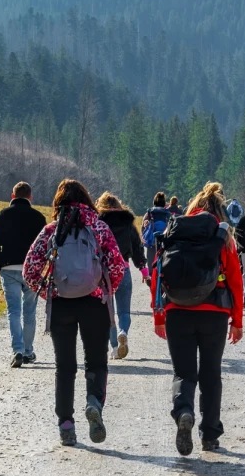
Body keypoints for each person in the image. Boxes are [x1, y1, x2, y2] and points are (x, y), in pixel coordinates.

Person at [23, 179, 127, 447]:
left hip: (62, 304)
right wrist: (104, 291)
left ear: (58, 202)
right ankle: (93, 403)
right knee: (96, 362)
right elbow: (118, 266)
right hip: (94, 303)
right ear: (87, 200)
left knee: (65, 366)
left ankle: (66, 425)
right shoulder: (100, 228)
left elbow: (30, 270)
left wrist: (51, 292)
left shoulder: (51, 231)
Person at [151, 182, 244, 455]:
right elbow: (236, 281)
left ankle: (184, 412)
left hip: (177, 310)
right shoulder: (222, 235)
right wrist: (237, 321)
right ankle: (210, 434)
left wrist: (158, 313)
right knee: (211, 374)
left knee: (183, 372)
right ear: (219, 210)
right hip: (214, 314)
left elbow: (158, 273)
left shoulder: (174, 230)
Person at [0, 182, 48, 368]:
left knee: (13, 311)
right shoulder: (39, 217)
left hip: (8, 268)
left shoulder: (2, 215)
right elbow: (45, 245)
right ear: (30, 197)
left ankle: (18, 350)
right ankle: (29, 351)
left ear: (12, 196)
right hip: (31, 270)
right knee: (29, 312)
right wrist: (41, 266)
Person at [97, 192, 149, 361]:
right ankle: (123, 332)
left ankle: (114, 348)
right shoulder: (128, 223)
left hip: (103, 272)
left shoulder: (98, 223)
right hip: (124, 269)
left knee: (108, 312)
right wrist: (143, 270)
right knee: (124, 310)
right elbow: (137, 248)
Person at [143, 192, 175, 259]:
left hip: (152, 242)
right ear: (164, 203)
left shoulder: (149, 213)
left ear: (154, 202)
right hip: (165, 242)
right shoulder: (168, 214)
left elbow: (143, 229)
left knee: (151, 264)